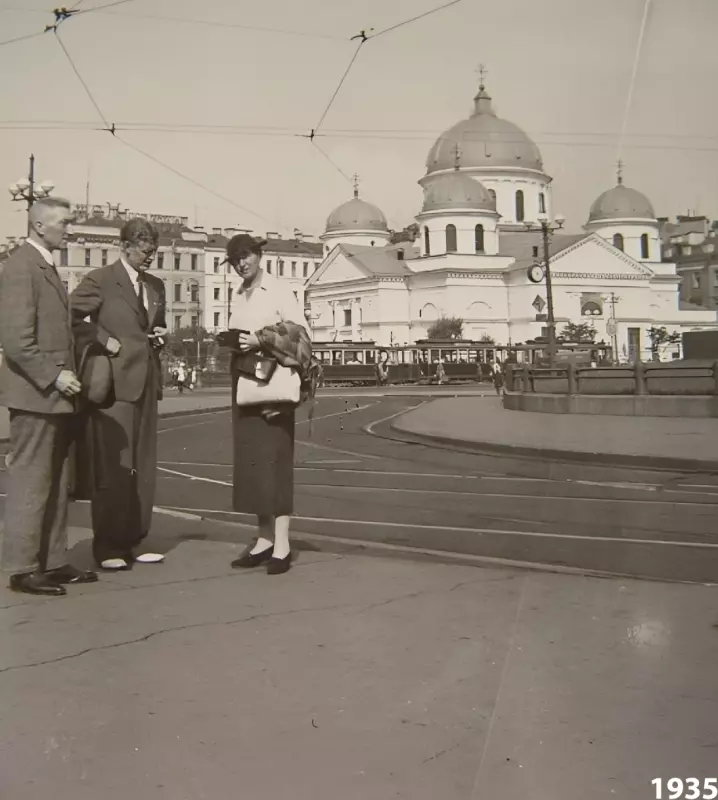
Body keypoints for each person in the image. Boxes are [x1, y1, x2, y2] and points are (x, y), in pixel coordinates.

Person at [0, 197, 97, 596]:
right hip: (36, 394)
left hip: (52, 395)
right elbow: (16, 341)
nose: (70, 229)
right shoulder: (22, 266)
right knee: (31, 480)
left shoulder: (43, 264)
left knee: (56, 481)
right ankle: (23, 568)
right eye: (64, 223)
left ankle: (52, 560)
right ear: (39, 225)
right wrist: (55, 376)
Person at [70, 218, 168, 571]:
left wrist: (159, 334)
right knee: (115, 467)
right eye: (145, 251)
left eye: (154, 251)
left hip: (146, 383)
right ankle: (108, 545)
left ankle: (134, 539)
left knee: (143, 468)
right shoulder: (101, 279)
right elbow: (71, 314)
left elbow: (151, 326)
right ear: (126, 247)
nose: (150, 257)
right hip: (113, 388)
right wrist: (101, 339)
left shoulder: (156, 286)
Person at [219, 234, 316, 576]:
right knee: (252, 465)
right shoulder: (239, 292)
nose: (241, 264)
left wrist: (261, 337)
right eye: (235, 260)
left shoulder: (278, 289)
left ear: (259, 255)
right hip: (246, 381)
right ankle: (263, 539)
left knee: (275, 462)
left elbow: (301, 335)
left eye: (245, 256)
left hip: (273, 385)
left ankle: (283, 543)